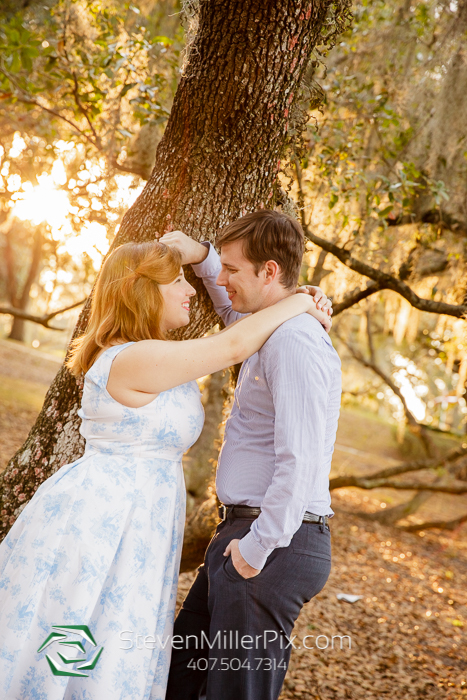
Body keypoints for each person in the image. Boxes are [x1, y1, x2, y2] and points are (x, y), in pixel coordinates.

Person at [0, 239, 331, 700]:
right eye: (176, 281)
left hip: (140, 522)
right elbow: (235, 343)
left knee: (111, 640)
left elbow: (240, 325)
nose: (192, 290)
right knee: (80, 630)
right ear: (143, 293)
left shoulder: (154, 353)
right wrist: (300, 299)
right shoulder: (133, 357)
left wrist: (204, 255)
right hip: (103, 518)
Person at [161, 209, 342, 700]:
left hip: (273, 542)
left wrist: (255, 550)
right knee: (179, 680)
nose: (223, 280)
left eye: (233, 270)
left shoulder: (295, 342)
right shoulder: (269, 327)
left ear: (270, 272)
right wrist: (202, 257)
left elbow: (299, 459)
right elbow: (233, 318)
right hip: (247, 535)